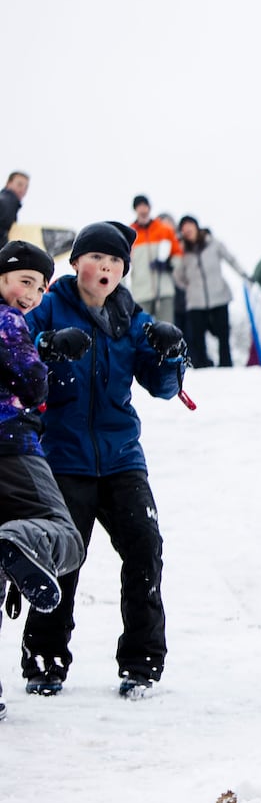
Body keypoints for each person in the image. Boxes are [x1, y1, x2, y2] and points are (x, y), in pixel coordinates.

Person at [21, 222, 187, 698]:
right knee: (60, 560)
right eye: (97, 258)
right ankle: (45, 662)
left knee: (144, 548)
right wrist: (47, 347)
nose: (106, 268)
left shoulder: (129, 316)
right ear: (76, 264)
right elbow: (12, 355)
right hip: (63, 456)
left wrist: (171, 354)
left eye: (115, 262)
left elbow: (162, 387)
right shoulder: (49, 307)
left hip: (121, 457)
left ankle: (142, 661)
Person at [0, 241, 87, 714]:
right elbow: (32, 381)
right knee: (63, 536)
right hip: (12, 443)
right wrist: (41, 365)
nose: (29, 295)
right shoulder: (7, 321)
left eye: (38, 286)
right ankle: (19, 540)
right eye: (22, 282)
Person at [173, 216, 247, 368]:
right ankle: (201, 367)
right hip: (196, 301)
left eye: (189, 227)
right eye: (184, 230)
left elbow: (231, 259)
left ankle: (226, 365)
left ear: (196, 227)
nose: (187, 231)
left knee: (223, 334)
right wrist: (190, 287)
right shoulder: (182, 252)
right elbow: (178, 276)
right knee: (198, 337)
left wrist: (244, 275)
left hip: (218, 295)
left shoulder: (213, 243)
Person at [127, 195, 181, 326]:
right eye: (139, 207)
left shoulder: (164, 230)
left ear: (149, 208)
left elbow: (177, 255)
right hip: (140, 292)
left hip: (164, 290)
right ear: (135, 210)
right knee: (141, 330)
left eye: (145, 206)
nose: (143, 210)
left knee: (167, 330)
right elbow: (124, 262)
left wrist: (169, 265)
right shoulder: (129, 233)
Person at [0, 172, 28, 243]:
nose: (22, 190)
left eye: (26, 187)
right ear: (8, 183)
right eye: (19, 184)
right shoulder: (7, 201)